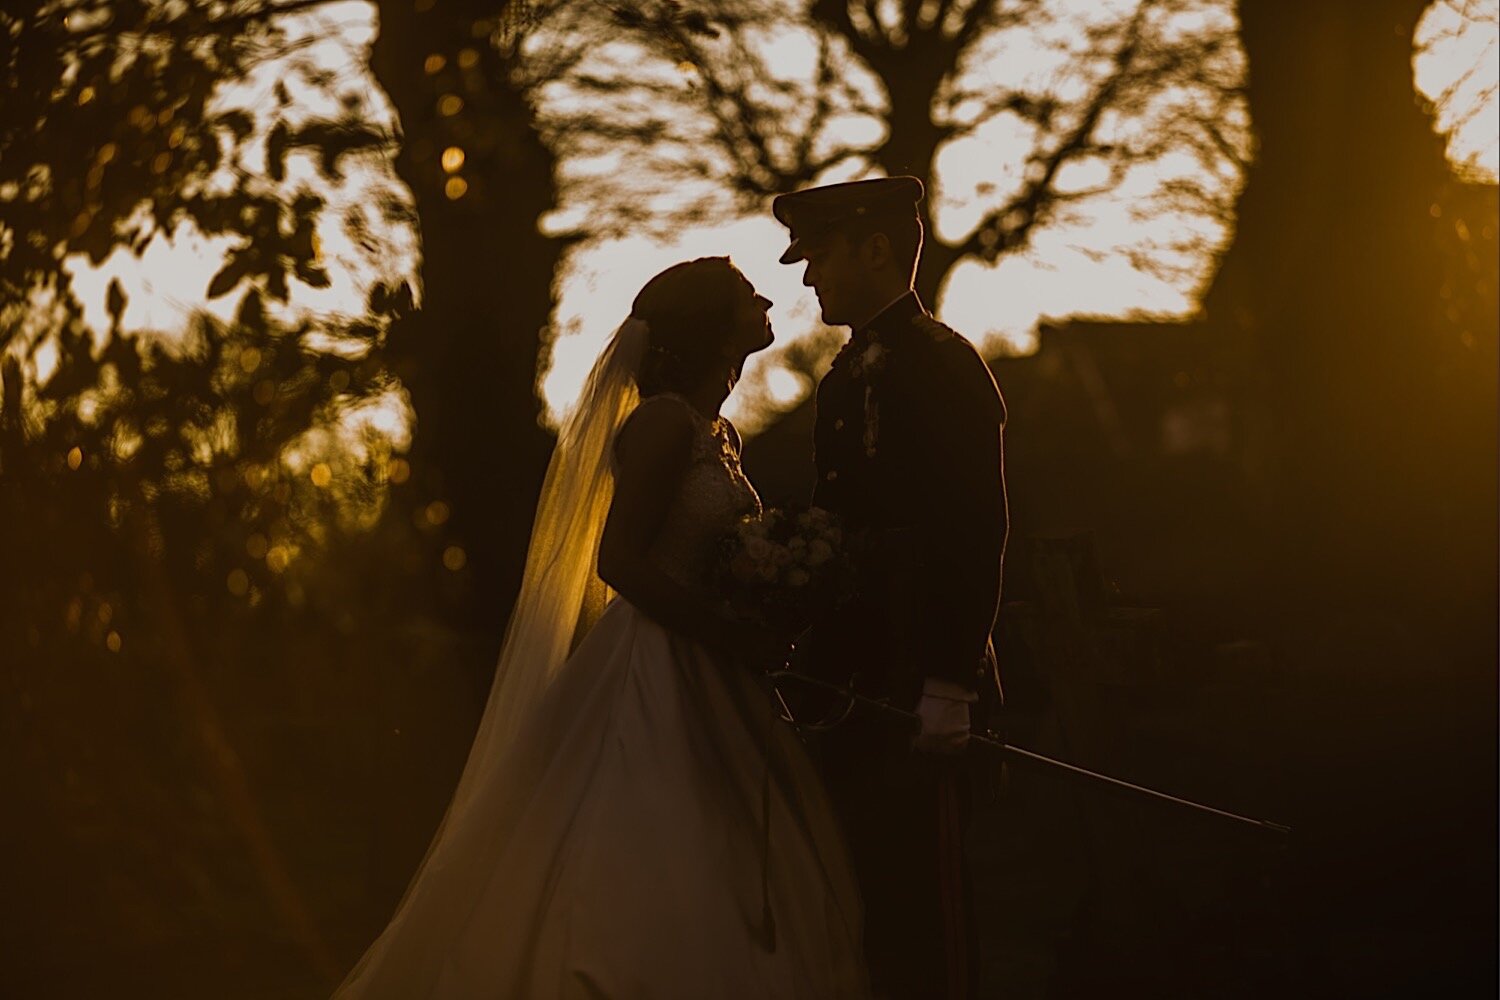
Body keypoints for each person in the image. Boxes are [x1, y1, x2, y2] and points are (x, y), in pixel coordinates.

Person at [333, 257, 869, 999]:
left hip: (717, 665)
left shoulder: (718, 432)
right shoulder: (659, 426)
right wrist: (724, 630)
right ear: (713, 329)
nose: (767, 298)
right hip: (657, 667)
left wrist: (764, 593)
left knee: (732, 846)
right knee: (650, 848)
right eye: (748, 295)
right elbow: (618, 559)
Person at [774, 177, 1008, 1000]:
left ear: (878, 250)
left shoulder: (943, 365)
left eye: (821, 255)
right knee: (863, 902)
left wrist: (950, 678)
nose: (807, 278)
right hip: (855, 681)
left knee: (927, 917)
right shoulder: (844, 376)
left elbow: (975, 529)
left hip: (916, 678)